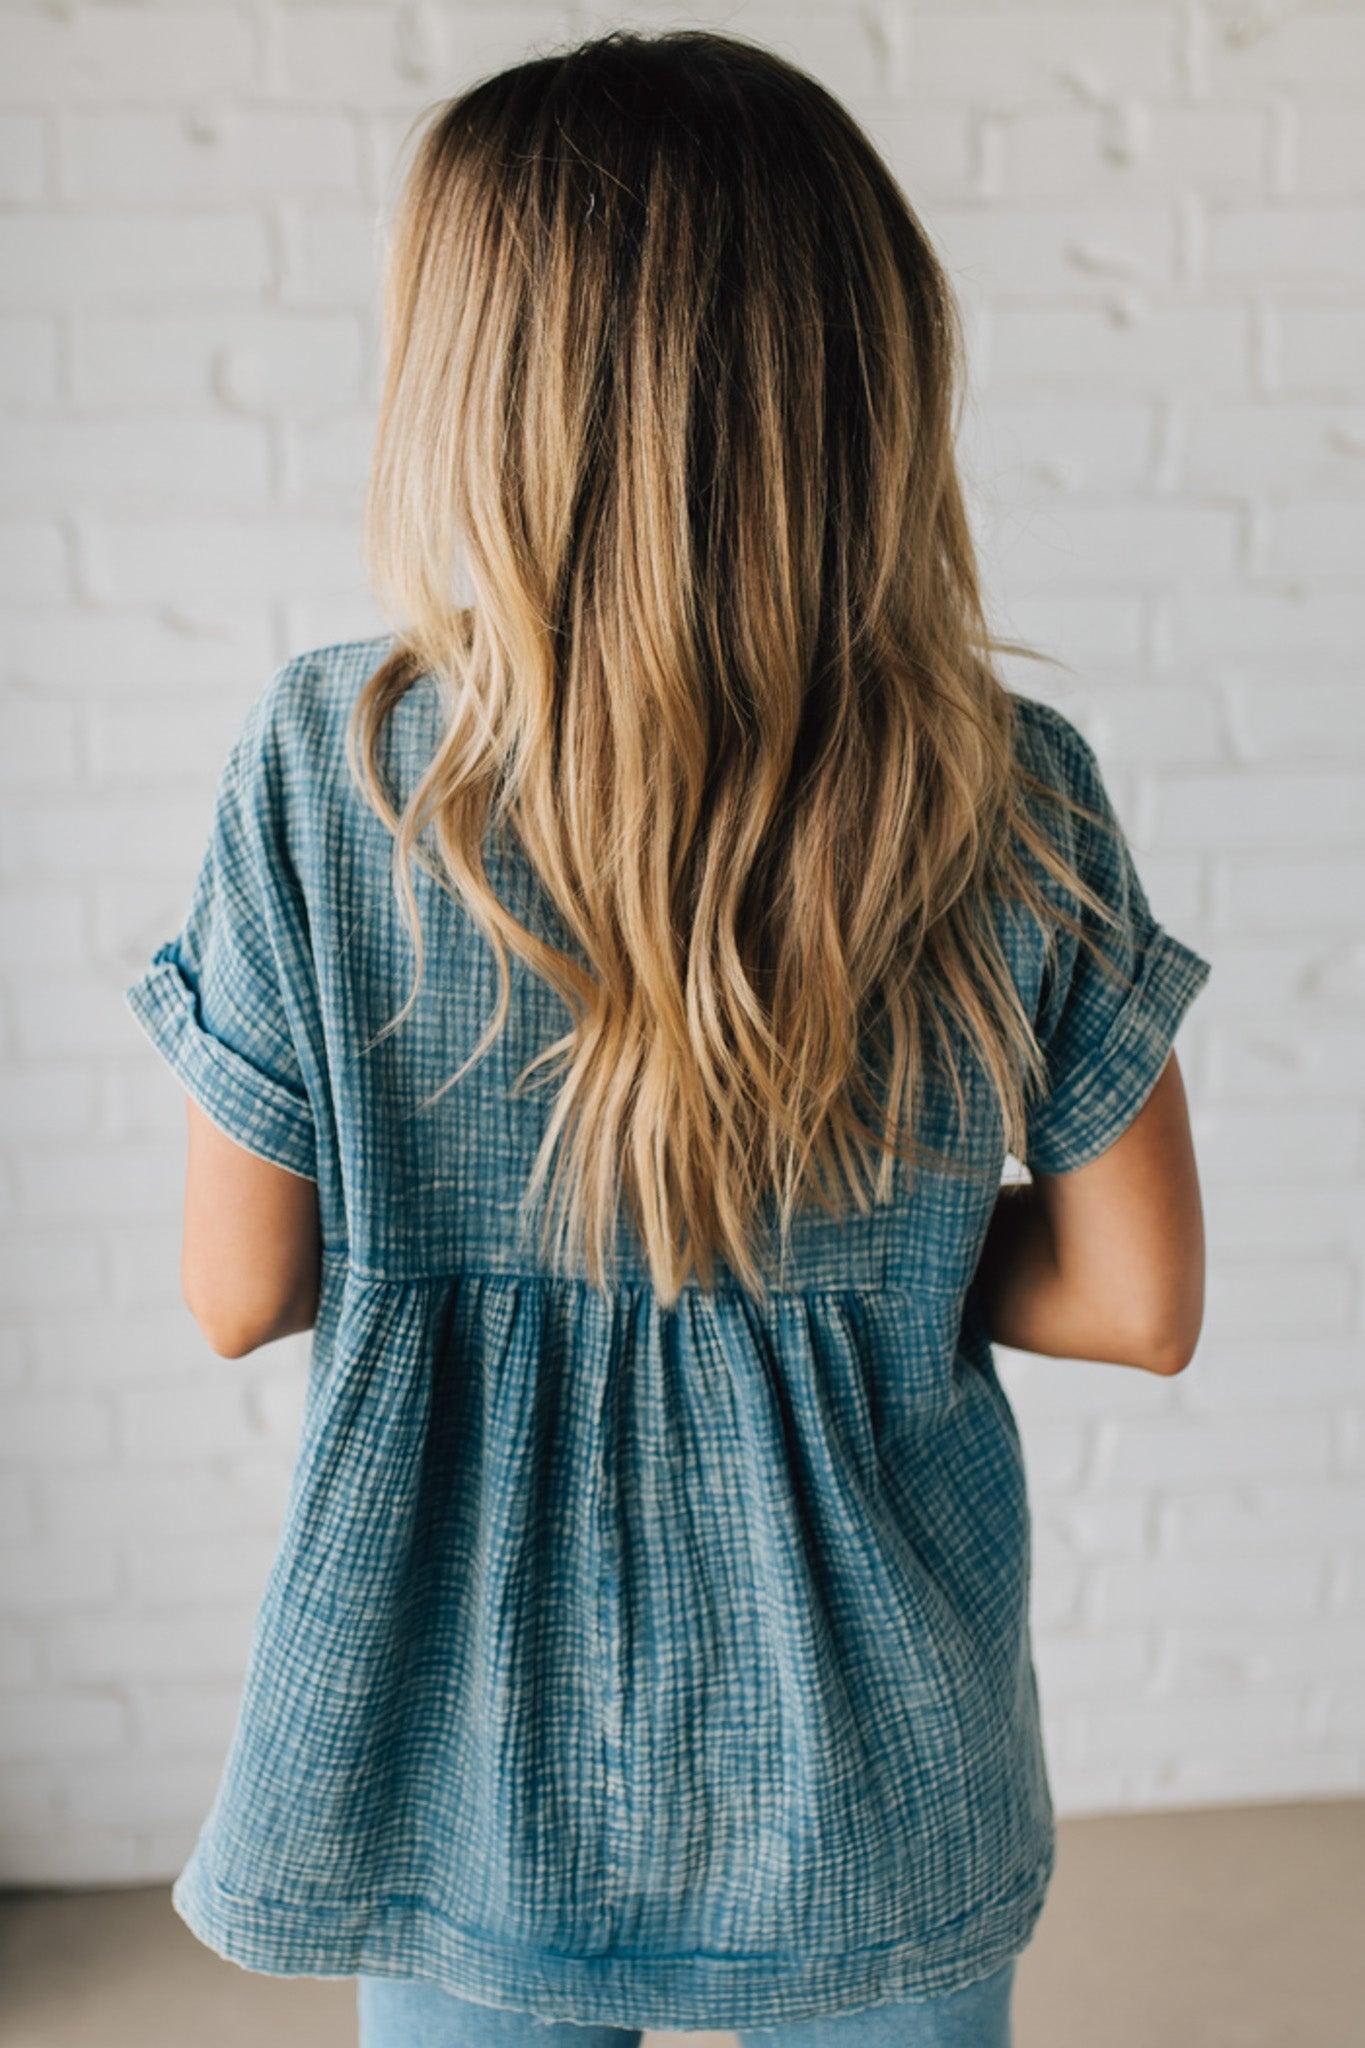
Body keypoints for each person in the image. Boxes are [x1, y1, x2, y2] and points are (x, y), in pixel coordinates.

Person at [122, 26, 1212, 2048]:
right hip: (873, 1762)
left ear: (473, 384)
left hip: (468, 1754)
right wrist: (853, 1252)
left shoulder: (322, 766)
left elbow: (231, 1285)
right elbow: (1140, 1300)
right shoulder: (1006, 787)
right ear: (859, 371)